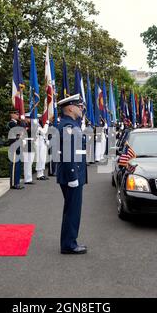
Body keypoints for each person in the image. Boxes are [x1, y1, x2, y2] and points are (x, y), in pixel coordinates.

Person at [57, 94, 88, 255]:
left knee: (72, 209)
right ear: (70, 108)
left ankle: (69, 242)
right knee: (72, 210)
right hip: (72, 176)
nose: (82, 108)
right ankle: (69, 244)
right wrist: (73, 176)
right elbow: (68, 154)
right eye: (79, 106)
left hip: (74, 174)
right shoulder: (68, 126)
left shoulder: (72, 124)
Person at [7, 109, 24, 189]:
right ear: (12, 114)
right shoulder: (11, 123)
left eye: (18, 113)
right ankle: (14, 183)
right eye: (16, 114)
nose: (18, 115)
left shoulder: (17, 123)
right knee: (14, 166)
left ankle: (17, 182)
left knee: (17, 166)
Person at [23, 113, 35, 185]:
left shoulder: (31, 125)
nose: (30, 120)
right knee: (27, 164)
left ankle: (29, 178)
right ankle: (27, 179)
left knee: (29, 163)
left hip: (31, 145)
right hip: (27, 146)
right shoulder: (23, 125)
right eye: (28, 118)